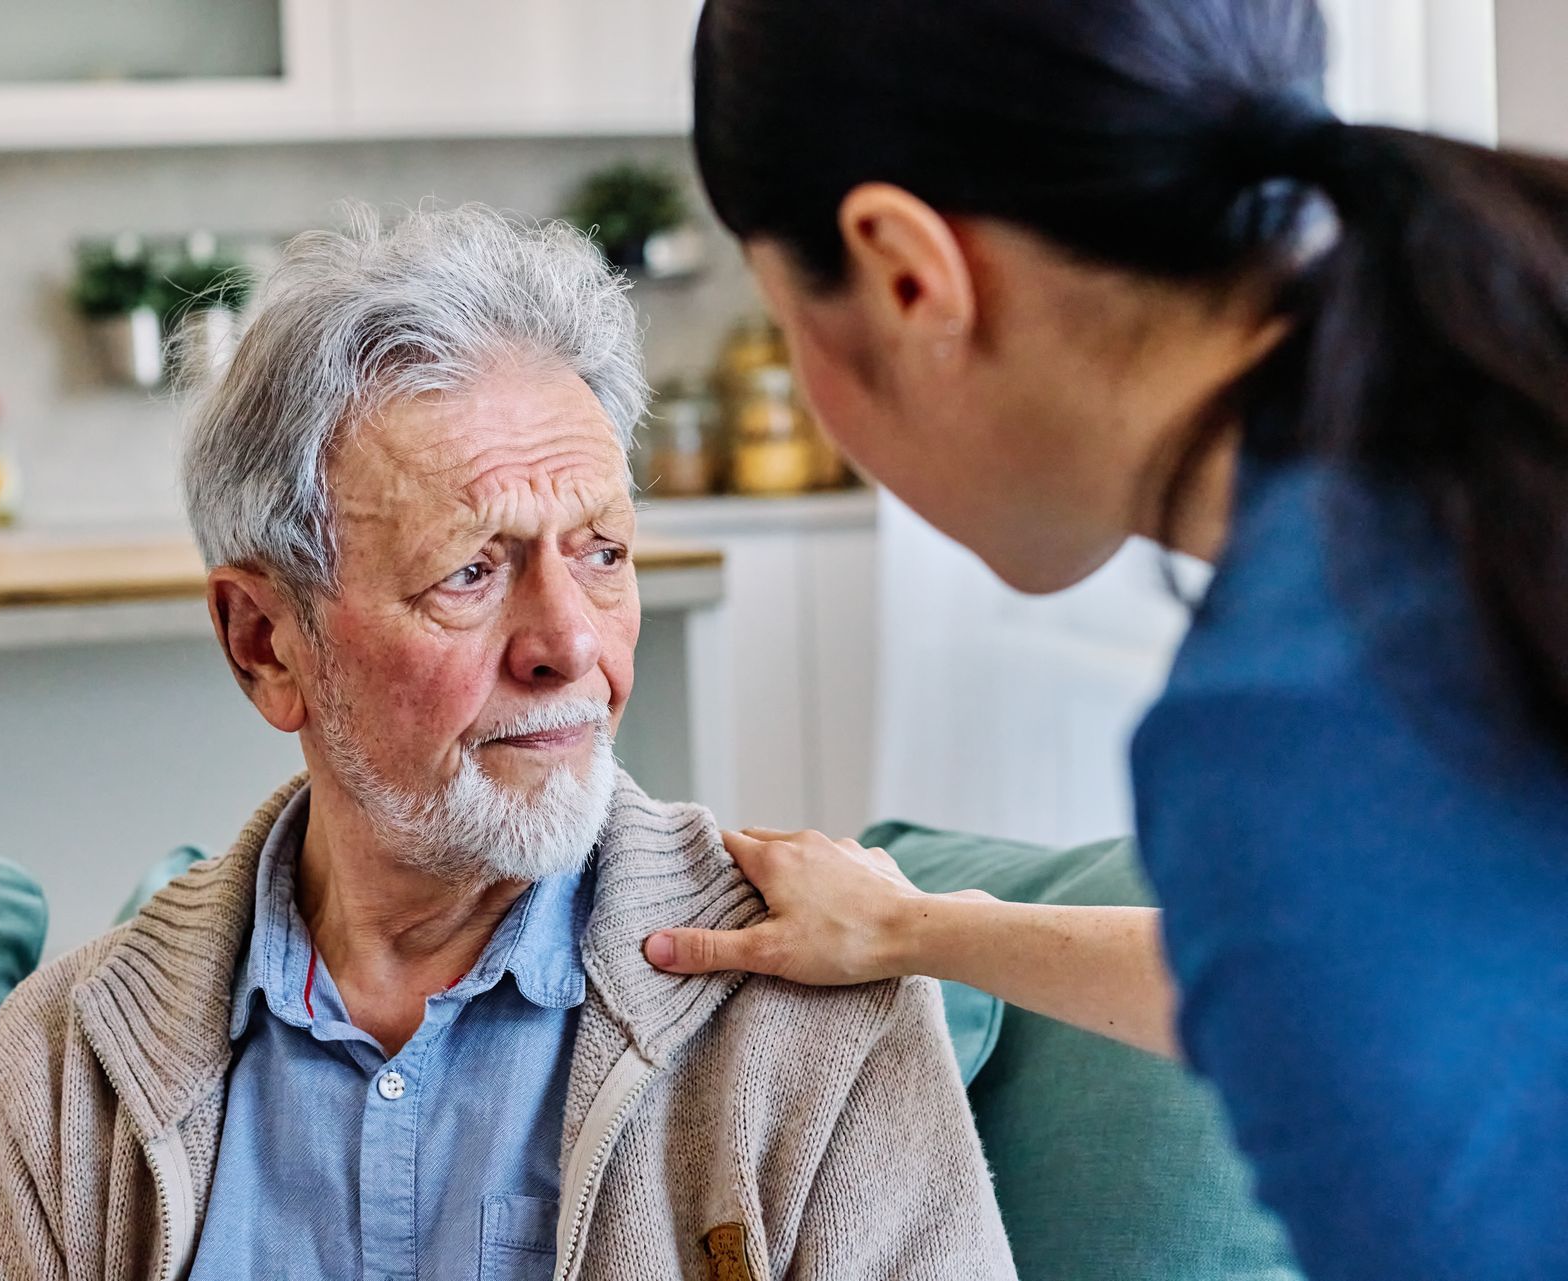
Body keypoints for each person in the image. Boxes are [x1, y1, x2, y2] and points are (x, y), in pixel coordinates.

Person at [639, 3, 1568, 1279]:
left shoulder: (1295, 720)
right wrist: (922, 931)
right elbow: (1387, 986)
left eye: (788, 322)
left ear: (909, 275)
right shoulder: (1469, 472)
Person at [0, 205, 1016, 1281]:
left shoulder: (815, 1020)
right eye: (471, 572)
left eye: (602, 553)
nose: (570, 645)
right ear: (265, 643)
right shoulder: (57, 1077)